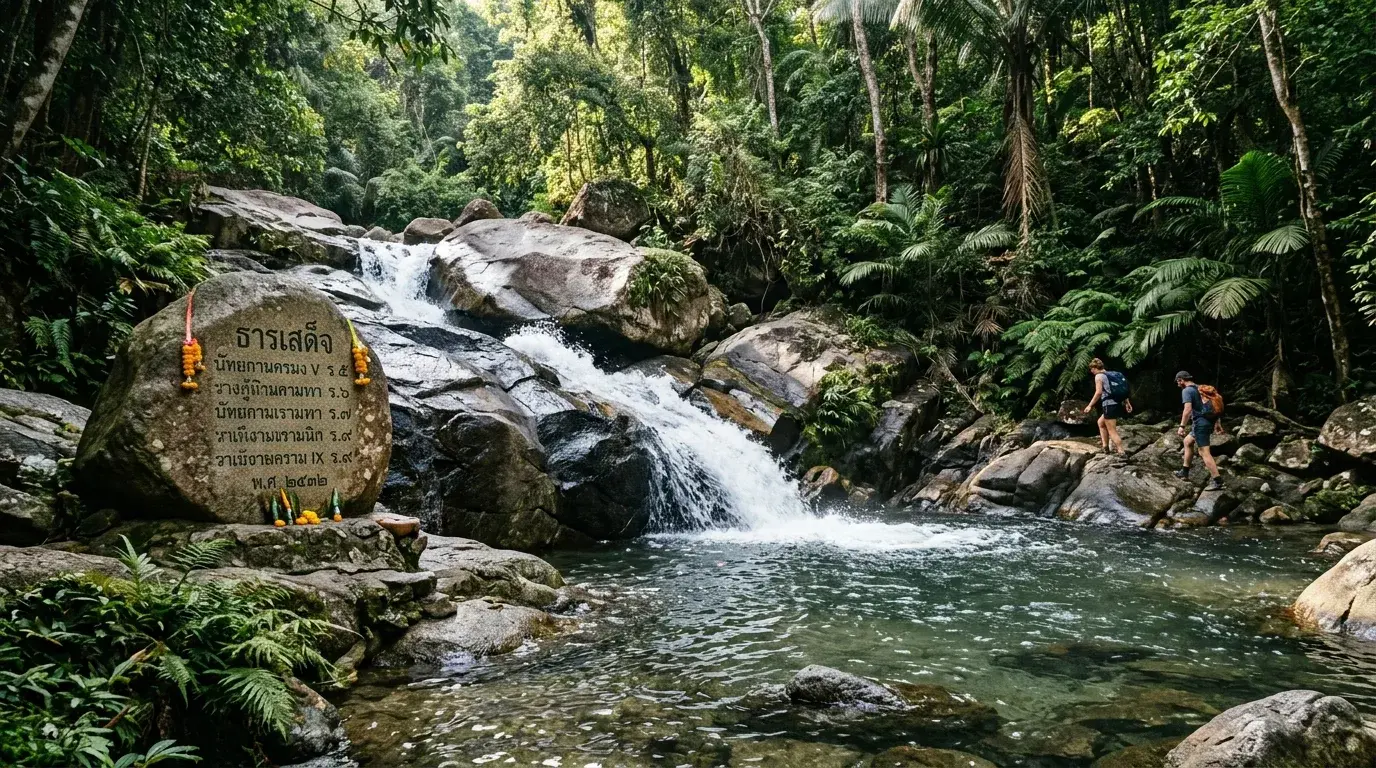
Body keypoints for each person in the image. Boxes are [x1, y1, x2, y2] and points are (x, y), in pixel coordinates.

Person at [1174, 370, 1224, 490]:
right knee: (1187, 442)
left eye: (1177, 382)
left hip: (1200, 425)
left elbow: (1187, 410)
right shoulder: (1200, 388)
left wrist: (1181, 426)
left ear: (1181, 380)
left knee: (1203, 452)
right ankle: (1184, 472)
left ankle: (1218, 481)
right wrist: (1217, 423)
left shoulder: (1187, 390)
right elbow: (1213, 406)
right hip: (1208, 421)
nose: (1177, 384)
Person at [1082, 359, 1132, 454]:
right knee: (1101, 423)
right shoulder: (1115, 374)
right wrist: (1127, 403)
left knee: (1112, 431)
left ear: (1094, 368)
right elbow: (1122, 389)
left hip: (1109, 405)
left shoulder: (1099, 376)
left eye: (1091, 369)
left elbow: (1098, 392)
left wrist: (1090, 405)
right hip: (1118, 403)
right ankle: (1105, 447)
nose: (1091, 371)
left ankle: (1121, 452)